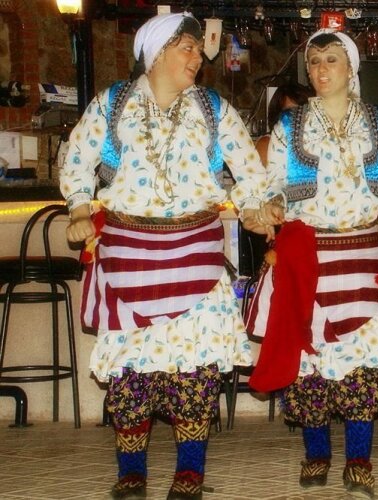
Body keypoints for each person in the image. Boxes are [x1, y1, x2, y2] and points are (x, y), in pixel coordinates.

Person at [60, 12, 266, 500]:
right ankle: (131, 471)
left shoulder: (213, 109)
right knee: (131, 375)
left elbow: (250, 171)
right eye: (186, 48)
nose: (197, 58)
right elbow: (77, 160)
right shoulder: (112, 105)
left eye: (197, 49)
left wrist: (255, 206)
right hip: (128, 256)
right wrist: (79, 208)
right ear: (155, 54)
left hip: (195, 255)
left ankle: (189, 472)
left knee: (194, 372)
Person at [244, 29, 378, 499]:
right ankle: (317, 453)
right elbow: (274, 184)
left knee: (361, 362)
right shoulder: (290, 126)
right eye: (315, 61)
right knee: (310, 359)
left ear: (351, 67)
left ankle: (359, 461)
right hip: (308, 253)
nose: (321, 69)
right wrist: (270, 205)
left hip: (361, 253)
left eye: (331, 59)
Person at [255, 82, 314, 166]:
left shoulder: (318, 143)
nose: (298, 115)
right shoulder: (267, 144)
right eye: (290, 112)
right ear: (277, 115)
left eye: (304, 110)